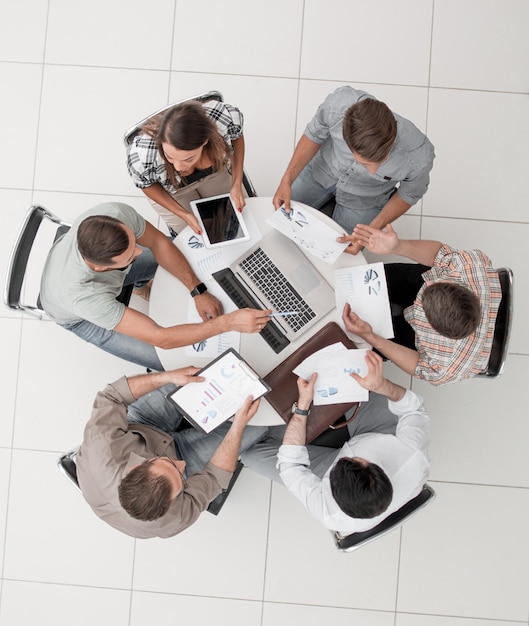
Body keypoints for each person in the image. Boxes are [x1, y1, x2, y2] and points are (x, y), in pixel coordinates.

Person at [40, 201, 270, 371]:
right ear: (101, 267)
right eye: (131, 255)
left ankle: (138, 284)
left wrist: (197, 289)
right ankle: (138, 284)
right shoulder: (85, 299)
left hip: (85, 267)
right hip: (78, 317)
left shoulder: (113, 214)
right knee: (172, 362)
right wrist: (227, 323)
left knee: (171, 252)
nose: (139, 251)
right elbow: (161, 338)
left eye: (133, 241)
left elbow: (159, 243)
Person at [241, 351, 430, 534]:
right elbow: (415, 410)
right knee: (347, 373)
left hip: (331, 469)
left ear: (331, 490)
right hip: (377, 431)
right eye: (355, 459)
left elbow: (290, 466)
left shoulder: (329, 512)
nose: (349, 455)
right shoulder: (413, 457)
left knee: (249, 456)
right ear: (373, 466)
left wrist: (302, 407)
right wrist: (381, 385)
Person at [76, 366, 268, 539]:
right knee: (259, 424)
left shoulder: (102, 446)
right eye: (180, 476)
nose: (181, 464)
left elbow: (113, 396)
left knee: (202, 374)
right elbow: (216, 478)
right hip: (179, 450)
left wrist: (166, 377)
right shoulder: (174, 519)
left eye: (169, 464)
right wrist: (238, 426)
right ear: (172, 502)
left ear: (137, 465)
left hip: (143, 424)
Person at [273, 86, 435, 255]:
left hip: (365, 199)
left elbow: (409, 195)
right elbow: (314, 135)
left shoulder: (419, 156)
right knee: (278, 227)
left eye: (381, 162)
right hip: (322, 170)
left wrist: (369, 232)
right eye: (365, 164)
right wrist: (286, 180)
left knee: (339, 254)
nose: (373, 173)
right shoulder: (338, 106)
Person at [345, 223, 503, 385]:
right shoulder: (470, 267)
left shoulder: (447, 366)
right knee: (360, 279)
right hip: (424, 284)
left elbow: (418, 365)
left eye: (421, 306)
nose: (418, 300)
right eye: (431, 287)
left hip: (417, 338)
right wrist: (398, 246)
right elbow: (438, 254)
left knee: (351, 340)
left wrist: (371, 337)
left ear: (432, 328)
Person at [126, 98, 246, 235]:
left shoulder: (225, 118)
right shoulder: (142, 156)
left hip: (214, 173)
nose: (178, 167)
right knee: (192, 236)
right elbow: (146, 185)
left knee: (234, 220)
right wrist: (183, 214)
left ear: (205, 141)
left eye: (189, 158)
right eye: (169, 156)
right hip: (171, 191)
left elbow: (237, 138)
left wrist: (236, 184)